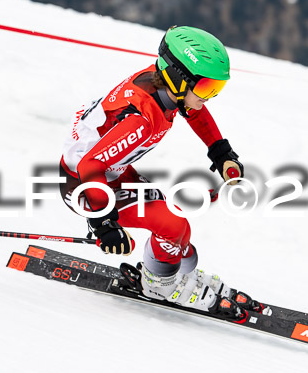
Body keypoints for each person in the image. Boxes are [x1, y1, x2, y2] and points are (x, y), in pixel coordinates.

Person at [59, 26, 262, 318]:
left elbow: (193, 109)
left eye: (217, 89)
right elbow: (89, 166)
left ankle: (174, 273)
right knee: (173, 225)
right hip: (85, 185)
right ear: (179, 80)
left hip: (109, 173)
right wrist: (104, 224)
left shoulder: (165, 89)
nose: (211, 96)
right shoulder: (141, 120)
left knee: (178, 229)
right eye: (206, 88)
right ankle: (159, 285)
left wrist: (220, 152)